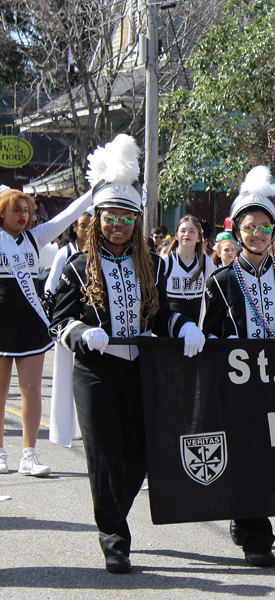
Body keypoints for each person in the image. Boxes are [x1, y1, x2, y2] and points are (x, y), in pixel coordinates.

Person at [49, 134, 205, 573]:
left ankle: (112, 513)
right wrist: (83, 331)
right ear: (97, 220)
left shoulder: (152, 265)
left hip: (141, 370)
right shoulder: (77, 267)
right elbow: (57, 321)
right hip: (95, 371)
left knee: (140, 454)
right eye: (109, 217)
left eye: (126, 218)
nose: (117, 224)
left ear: (137, 222)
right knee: (102, 455)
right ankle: (115, 539)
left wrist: (185, 326)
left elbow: (162, 315)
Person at [200, 166, 275, 567]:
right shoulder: (220, 280)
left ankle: (244, 515)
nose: (258, 234)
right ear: (237, 231)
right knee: (247, 454)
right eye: (250, 227)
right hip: (238, 386)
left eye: (266, 227)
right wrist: (217, 344)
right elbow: (208, 333)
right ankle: (257, 535)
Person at [0, 182, 93, 477]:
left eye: (26, 210)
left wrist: (94, 191)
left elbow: (65, 216)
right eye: (16, 210)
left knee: (31, 391)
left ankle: (29, 455)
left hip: (30, 324)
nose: (23, 215)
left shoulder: (34, 237)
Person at [45, 210, 93, 448]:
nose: (85, 229)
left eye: (89, 225)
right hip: (69, 324)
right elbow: (51, 287)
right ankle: (67, 428)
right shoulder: (65, 253)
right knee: (66, 376)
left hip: (92, 328)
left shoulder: (99, 255)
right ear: (75, 228)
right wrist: (55, 319)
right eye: (82, 225)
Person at [161, 216, 216, 323]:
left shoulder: (207, 262)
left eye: (192, 231)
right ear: (176, 235)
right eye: (183, 231)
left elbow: (210, 298)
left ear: (199, 237)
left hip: (198, 324)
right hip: (171, 325)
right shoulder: (166, 261)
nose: (187, 234)